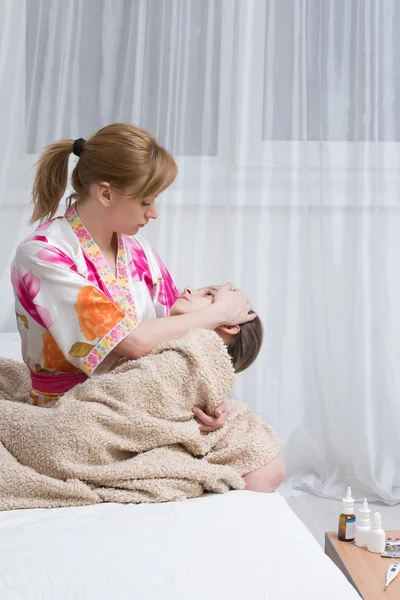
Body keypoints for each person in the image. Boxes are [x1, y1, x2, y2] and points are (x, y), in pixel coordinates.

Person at [11, 123, 255, 433]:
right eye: (145, 202)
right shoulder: (42, 254)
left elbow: (176, 336)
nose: (154, 213)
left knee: (263, 461)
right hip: (70, 413)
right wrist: (220, 311)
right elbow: (133, 341)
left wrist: (214, 398)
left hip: (141, 405)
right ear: (105, 193)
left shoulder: (140, 251)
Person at [169, 286, 285, 492]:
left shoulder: (208, 377)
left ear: (230, 327)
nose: (187, 289)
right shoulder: (167, 352)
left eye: (209, 295)